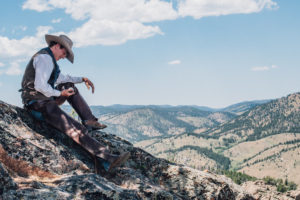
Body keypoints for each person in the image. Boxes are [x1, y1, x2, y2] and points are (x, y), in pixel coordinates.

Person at [20, 34, 130, 172]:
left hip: (44, 101)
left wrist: (82, 79)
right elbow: (40, 86)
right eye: (64, 52)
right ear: (57, 46)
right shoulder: (44, 58)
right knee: (75, 129)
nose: (63, 56)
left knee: (69, 85)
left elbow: (61, 79)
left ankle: (89, 120)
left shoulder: (49, 59)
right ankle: (107, 159)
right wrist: (60, 94)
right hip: (38, 105)